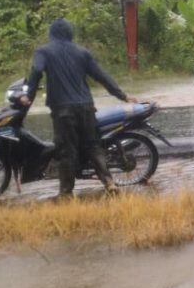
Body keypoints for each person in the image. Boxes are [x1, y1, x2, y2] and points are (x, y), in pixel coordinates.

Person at [19, 18, 136, 197]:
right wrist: (122, 95)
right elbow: (102, 76)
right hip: (86, 108)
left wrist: (29, 96)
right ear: (70, 33)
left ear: (51, 34)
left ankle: (66, 193)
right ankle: (109, 182)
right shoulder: (82, 52)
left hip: (63, 110)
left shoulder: (43, 51)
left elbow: (36, 70)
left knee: (66, 151)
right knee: (93, 146)